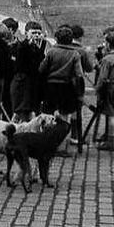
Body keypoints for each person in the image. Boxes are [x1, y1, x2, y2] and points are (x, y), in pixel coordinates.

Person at [38, 25, 84, 155]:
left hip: (51, 87)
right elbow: (79, 74)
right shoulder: (75, 54)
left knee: (49, 116)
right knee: (64, 117)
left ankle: (47, 144)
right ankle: (62, 147)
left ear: (57, 39)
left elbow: (42, 69)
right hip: (67, 87)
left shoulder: (52, 52)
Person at [10, 21, 47, 122]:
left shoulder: (37, 47)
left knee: (28, 111)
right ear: (26, 33)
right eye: (34, 33)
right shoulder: (21, 46)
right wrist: (28, 44)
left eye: (39, 33)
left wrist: (42, 46)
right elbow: (21, 61)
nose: (37, 35)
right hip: (22, 83)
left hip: (32, 85)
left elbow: (38, 63)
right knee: (20, 111)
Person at [69, 24, 94, 145]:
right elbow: (89, 68)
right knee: (76, 111)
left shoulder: (64, 47)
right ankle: (75, 135)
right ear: (80, 37)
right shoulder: (82, 51)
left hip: (63, 82)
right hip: (77, 83)